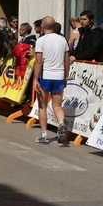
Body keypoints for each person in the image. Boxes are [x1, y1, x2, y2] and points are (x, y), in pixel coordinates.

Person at [33, 16, 70, 144]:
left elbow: (38, 62)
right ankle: (61, 123)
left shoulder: (41, 40)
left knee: (42, 106)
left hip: (45, 76)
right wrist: (66, 76)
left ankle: (44, 135)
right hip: (59, 76)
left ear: (42, 27)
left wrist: (35, 79)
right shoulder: (63, 40)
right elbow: (66, 61)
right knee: (57, 106)